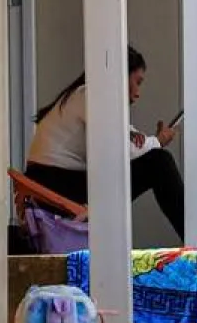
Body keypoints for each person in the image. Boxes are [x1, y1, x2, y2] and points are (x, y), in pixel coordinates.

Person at [25, 46, 185, 241]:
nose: (138, 93)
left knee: (155, 160)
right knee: (160, 162)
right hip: (54, 184)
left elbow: (130, 142)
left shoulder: (84, 96)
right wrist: (157, 142)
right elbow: (120, 148)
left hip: (53, 180)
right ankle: (196, 237)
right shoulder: (90, 96)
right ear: (122, 75)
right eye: (137, 82)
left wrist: (146, 141)